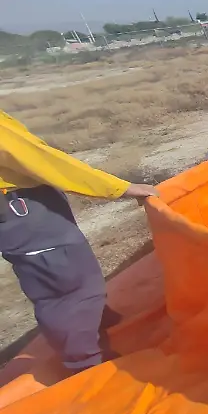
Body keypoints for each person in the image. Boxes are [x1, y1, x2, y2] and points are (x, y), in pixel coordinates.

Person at [0, 110, 159, 373]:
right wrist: (121, 188)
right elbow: (44, 161)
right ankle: (86, 365)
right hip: (22, 208)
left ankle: (93, 326)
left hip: (24, 206)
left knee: (69, 272)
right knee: (66, 284)